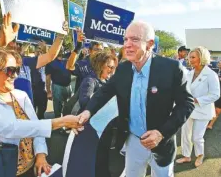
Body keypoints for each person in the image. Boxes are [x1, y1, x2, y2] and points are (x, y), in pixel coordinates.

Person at [76, 21, 195, 177]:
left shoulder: (171, 68)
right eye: (125, 40)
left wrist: (161, 133)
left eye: (135, 39)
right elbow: (104, 92)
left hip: (162, 143)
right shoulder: (123, 69)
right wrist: (87, 112)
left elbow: (186, 104)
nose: (127, 45)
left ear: (150, 44)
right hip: (133, 141)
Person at [0, 44, 82, 177]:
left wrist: (40, 154)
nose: (15, 76)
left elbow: (35, 127)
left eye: (17, 70)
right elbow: (12, 128)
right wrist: (61, 122)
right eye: (10, 70)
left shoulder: (20, 95)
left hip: (30, 169)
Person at [176, 47, 220, 167]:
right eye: (189, 57)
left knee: (197, 136)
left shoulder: (211, 75)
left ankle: (200, 155)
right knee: (185, 133)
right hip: (188, 109)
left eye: (193, 57)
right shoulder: (189, 73)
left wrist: (197, 100)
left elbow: (215, 94)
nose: (190, 59)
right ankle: (186, 156)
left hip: (203, 110)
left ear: (202, 58)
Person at [45, 47, 72, 118]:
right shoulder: (50, 62)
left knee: (68, 107)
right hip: (57, 87)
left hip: (68, 87)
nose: (60, 50)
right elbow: (48, 78)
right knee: (57, 109)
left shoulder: (67, 60)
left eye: (61, 49)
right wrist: (48, 92)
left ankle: (67, 123)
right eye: (59, 48)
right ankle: (59, 126)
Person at [207, 60, 221, 129]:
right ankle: (207, 122)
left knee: (217, 110)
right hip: (213, 93)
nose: (219, 63)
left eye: (220, 62)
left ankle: (210, 124)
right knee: (211, 107)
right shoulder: (215, 71)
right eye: (219, 62)